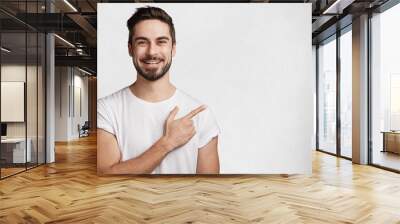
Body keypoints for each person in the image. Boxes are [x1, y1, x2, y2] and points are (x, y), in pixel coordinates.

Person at [97, 6, 220, 174]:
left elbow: (209, 191)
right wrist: (167, 143)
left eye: (161, 41)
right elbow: (104, 178)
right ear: (130, 48)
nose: (152, 52)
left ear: (173, 48)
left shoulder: (200, 115)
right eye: (142, 42)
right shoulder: (106, 109)